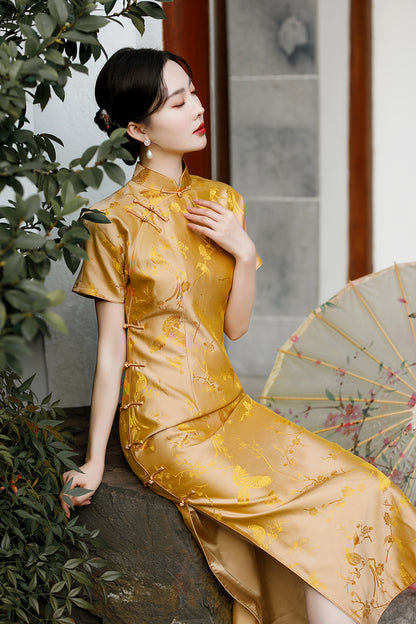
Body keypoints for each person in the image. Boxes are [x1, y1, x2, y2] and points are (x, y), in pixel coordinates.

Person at [60, 48, 416, 624]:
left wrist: (244, 254)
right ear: (137, 129)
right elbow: (110, 351)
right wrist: (96, 461)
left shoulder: (222, 201)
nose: (197, 107)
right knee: (319, 513)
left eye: (193, 92)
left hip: (230, 408)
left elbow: (234, 326)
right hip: (167, 427)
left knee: (362, 488)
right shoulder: (113, 220)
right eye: (178, 102)